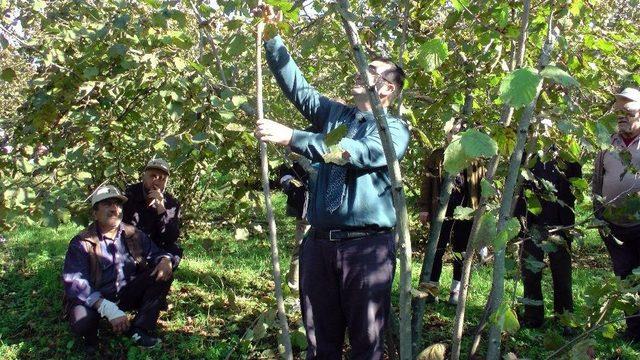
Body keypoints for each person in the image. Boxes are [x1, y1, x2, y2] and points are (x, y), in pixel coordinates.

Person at [253, 5, 410, 359]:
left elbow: (355, 153)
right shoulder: (336, 115)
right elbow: (299, 89)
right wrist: (272, 38)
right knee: (320, 342)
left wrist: (292, 137)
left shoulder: (393, 129)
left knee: (365, 344)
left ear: (387, 88)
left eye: (371, 69)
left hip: (366, 250)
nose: (360, 70)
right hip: (320, 245)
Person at [62, 185, 175, 356]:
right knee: (81, 322)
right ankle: (92, 337)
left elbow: (155, 253)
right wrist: (106, 307)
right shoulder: (82, 242)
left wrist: (166, 260)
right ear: (94, 213)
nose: (115, 208)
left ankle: (139, 329)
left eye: (117, 203)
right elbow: (75, 281)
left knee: (162, 274)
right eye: (107, 204)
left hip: (124, 293)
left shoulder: (132, 233)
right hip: (97, 298)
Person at [516, 123, 581, 329]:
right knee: (530, 272)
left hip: (560, 224)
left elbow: (577, 184)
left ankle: (565, 319)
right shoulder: (526, 150)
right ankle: (533, 317)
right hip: (531, 224)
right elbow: (516, 184)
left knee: (562, 274)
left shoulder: (567, 151)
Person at [417, 120, 485, 305]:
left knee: (461, 251)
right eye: (452, 132)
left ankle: (456, 292)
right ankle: (430, 290)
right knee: (437, 248)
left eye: (459, 132)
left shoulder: (474, 158)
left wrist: (480, 212)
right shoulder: (437, 156)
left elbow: (481, 186)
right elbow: (426, 183)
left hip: (466, 211)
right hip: (441, 210)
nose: (454, 136)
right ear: (446, 133)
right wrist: (424, 208)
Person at [593, 87, 640, 340]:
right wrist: (597, 211)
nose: (621, 115)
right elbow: (597, 178)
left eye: (628, 110)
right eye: (617, 111)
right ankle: (633, 330)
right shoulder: (608, 143)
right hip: (615, 227)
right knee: (625, 279)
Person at [123, 158, 182, 267]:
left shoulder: (172, 204)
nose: (156, 181)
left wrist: (161, 207)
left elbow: (170, 238)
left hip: (156, 248)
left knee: (174, 251)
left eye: (162, 178)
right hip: (129, 245)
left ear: (166, 182)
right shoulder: (129, 196)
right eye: (153, 176)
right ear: (144, 176)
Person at [275, 151, 315, 291]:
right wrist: (289, 183)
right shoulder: (299, 144)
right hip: (306, 205)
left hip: (328, 206)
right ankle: (294, 287)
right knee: (301, 246)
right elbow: (285, 169)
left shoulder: (326, 140)